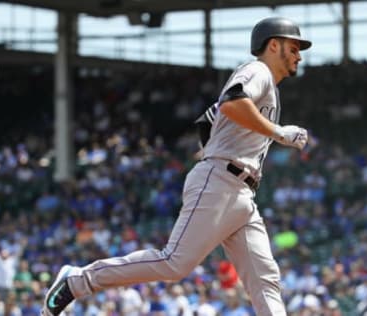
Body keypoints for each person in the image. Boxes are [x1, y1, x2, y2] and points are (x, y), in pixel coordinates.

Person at [42, 16, 312, 316]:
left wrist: (218, 144)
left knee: (265, 280)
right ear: (274, 45)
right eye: (294, 46)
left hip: (240, 192)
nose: (299, 54)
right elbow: (232, 103)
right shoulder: (257, 70)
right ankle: (78, 281)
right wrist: (277, 133)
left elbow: (208, 121)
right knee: (174, 263)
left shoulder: (269, 88)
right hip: (222, 180)